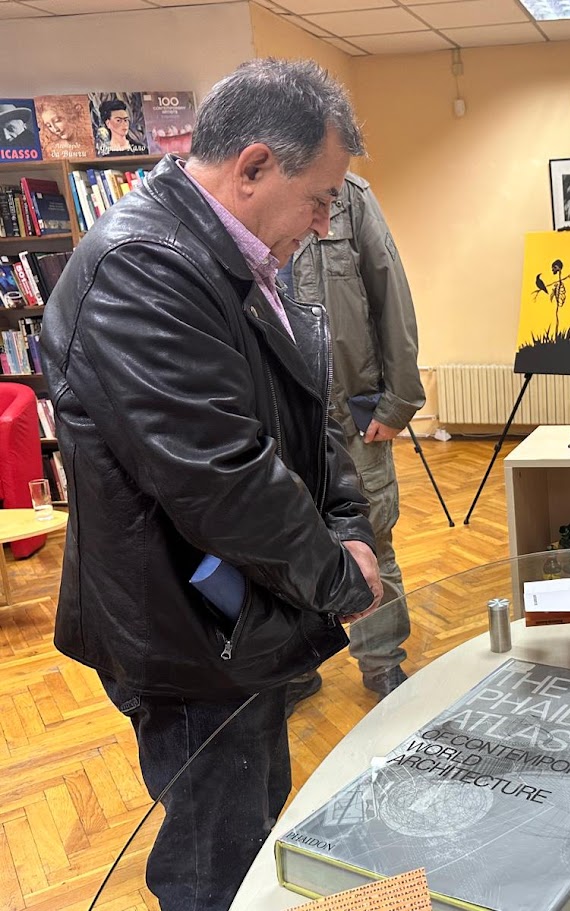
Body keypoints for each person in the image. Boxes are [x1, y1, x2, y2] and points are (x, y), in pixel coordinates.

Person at [40, 59, 382, 911]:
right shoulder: (143, 266)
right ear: (254, 166)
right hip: (188, 633)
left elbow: (309, 418)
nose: (325, 220)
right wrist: (340, 580)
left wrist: (350, 526)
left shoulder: (235, 253)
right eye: (320, 196)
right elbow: (223, 477)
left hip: (243, 616)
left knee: (253, 829)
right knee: (214, 867)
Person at [280, 171, 425, 703]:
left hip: (351, 412)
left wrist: (398, 400)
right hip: (273, 417)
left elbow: (390, 294)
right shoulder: (238, 196)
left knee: (372, 537)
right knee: (280, 544)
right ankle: (295, 666)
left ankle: (382, 660)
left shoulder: (350, 196)